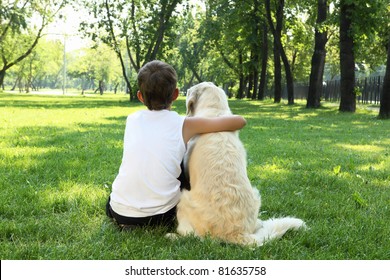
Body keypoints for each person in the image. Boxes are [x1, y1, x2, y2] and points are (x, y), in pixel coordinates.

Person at [106, 60, 246, 230]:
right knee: (183, 163)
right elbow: (239, 121)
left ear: (140, 96)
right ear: (175, 94)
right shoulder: (184, 124)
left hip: (118, 211)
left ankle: (129, 214)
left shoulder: (132, 119)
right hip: (161, 216)